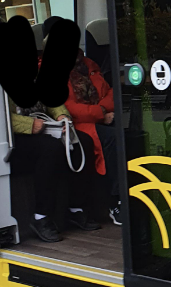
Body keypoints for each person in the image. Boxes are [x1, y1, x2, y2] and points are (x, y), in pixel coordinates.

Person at [9, 102, 100, 242]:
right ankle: (41, 216)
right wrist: (29, 124)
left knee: (84, 141)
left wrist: (62, 117)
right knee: (51, 148)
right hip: (14, 137)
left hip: (45, 128)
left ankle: (76, 209)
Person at [62, 47, 122, 225]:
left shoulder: (88, 64)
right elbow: (68, 108)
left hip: (100, 117)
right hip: (78, 124)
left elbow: (111, 92)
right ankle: (115, 201)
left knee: (130, 133)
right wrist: (100, 114)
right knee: (113, 138)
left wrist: (102, 111)